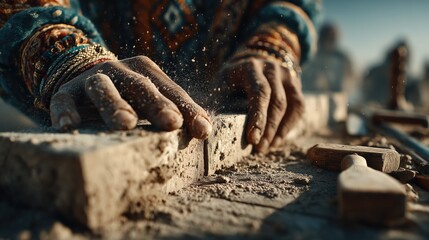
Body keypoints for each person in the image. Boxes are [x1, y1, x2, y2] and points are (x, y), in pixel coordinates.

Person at [0, 0, 321, 153]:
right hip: (86, 106)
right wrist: (60, 52)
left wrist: (271, 46)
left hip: (226, 89)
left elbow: (289, 6)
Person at [301, 22, 354, 94]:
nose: (328, 43)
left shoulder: (342, 58)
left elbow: (350, 79)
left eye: (331, 39)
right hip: (313, 96)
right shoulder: (311, 55)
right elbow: (304, 76)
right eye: (327, 38)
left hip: (336, 97)